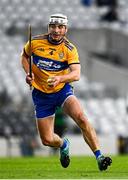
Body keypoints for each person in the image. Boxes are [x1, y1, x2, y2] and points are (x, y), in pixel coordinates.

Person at [21, 13, 112, 170]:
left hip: (62, 90)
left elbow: (76, 74)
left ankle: (99, 157)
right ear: (49, 28)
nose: (56, 30)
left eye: (60, 27)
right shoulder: (34, 42)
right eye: (53, 26)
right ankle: (64, 144)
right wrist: (28, 73)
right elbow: (24, 57)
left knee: (82, 118)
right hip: (41, 95)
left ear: (66, 30)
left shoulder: (69, 49)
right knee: (47, 140)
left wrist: (60, 79)